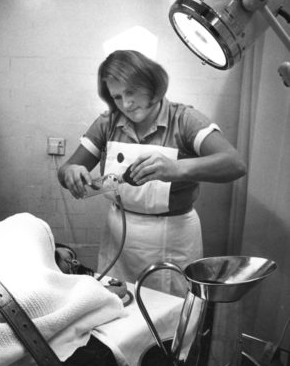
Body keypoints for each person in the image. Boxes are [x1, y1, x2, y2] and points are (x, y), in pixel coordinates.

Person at [58, 50, 247, 296]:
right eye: (117, 97)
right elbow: (64, 171)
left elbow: (235, 164)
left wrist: (178, 168)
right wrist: (71, 171)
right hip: (119, 240)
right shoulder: (107, 123)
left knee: (168, 316)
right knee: (119, 314)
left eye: (131, 92)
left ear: (151, 85)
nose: (125, 104)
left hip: (172, 239)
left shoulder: (184, 120)